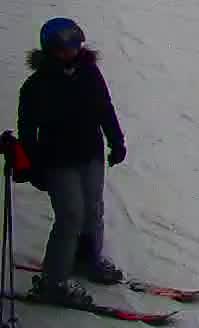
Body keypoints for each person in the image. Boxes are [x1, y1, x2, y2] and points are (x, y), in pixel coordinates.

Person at [15, 17, 127, 308]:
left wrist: (116, 141)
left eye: (76, 43)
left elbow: (104, 107)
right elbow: (27, 129)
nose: (71, 50)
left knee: (93, 210)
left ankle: (86, 258)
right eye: (64, 46)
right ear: (50, 48)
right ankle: (54, 282)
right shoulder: (36, 86)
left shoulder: (89, 72)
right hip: (58, 161)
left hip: (90, 153)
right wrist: (32, 165)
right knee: (70, 217)